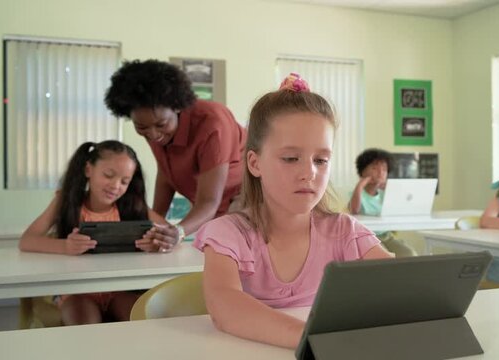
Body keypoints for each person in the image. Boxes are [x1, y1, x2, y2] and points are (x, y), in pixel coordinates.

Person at [193, 73, 392, 349]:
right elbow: (225, 307)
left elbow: (397, 284)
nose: (309, 173)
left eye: (321, 160)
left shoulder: (345, 230)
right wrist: (314, 339)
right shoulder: (227, 234)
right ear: (254, 163)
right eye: (290, 158)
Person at [20, 140, 179, 325]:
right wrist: (65, 246)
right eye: (108, 175)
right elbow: (27, 240)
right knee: (85, 329)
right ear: (88, 170)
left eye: (124, 181)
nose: (115, 186)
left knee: (145, 323)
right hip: (77, 291)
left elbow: (171, 233)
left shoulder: (132, 206)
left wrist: (158, 242)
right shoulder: (66, 201)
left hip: (120, 289)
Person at [104, 59, 247, 240]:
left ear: (178, 107)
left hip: (246, 197)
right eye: (141, 127)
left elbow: (209, 201)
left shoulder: (213, 124)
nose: (154, 135)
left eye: (161, 124)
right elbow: (166, 173)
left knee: (231, 244)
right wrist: (155, 222)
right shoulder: (155, 127)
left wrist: (178, 232)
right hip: (212, 206)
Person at [348, 148, 417, 257]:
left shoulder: (385, 194)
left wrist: (391, 191)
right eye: (375, 168)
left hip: (386, 235)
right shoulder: (357, 194)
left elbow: (399, 211)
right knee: (385, 257)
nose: (380, 172)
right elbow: (354, 210)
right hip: (367, 238)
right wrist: (360, 185)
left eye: (384, 169)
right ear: (362, 171)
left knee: (410, 254)